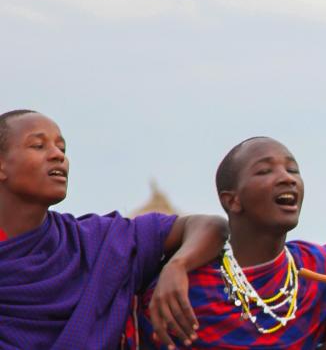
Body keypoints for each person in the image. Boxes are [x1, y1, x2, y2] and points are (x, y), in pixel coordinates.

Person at [0, 109, 228, 350]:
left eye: (62, 148)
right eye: (38, 146)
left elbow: (211, 226)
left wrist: (178, 265)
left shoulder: (95, 241)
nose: (57, 155)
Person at [136, 137, 326, 350]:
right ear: (232, 201)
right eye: (265, 171)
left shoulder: (315, 267)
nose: (287, 178)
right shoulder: (185, 291)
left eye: (293, 170)